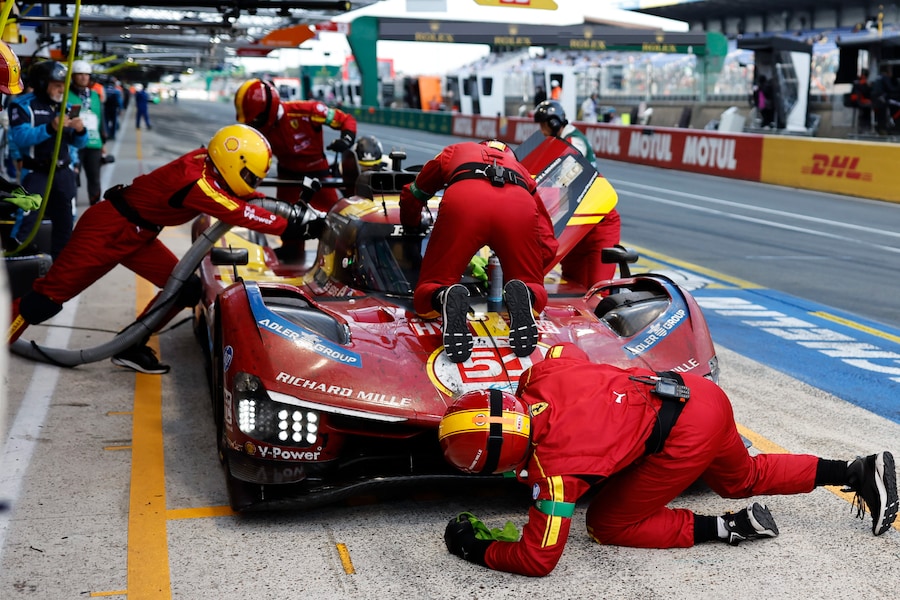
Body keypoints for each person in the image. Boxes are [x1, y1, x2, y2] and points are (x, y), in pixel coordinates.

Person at [439, 342, 899, 577]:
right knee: (742, 478)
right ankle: (859, 470)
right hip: (698, 393)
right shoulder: (544, 376)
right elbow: (565, 350)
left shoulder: (555, 477)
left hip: (683, 436)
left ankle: (728, 528)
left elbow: (538, 561)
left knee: (606, 525)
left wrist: (473, 547)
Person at [8, 124, 323, 374]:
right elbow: (237, 210)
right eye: (249, 175)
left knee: (185, 288)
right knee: (43, 302)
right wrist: (291, 225)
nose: (252, 181)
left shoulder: (208, 160)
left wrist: (290, 213)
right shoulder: (197, 183)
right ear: (232, 163)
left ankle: (129, 346)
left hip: (136, 234)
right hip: (106, 230)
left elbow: (243, 197)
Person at [398, 139, 558, 363]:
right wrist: (532, 267)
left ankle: (443, 296)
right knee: (533, 286)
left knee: (428, 291)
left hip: (465, 201)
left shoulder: (454, 150)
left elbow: (413, 194)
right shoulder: (523, 172)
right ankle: (527, 295)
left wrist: (410, 224)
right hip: (518, 206)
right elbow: (549, 244)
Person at [533, 100, 621, 288]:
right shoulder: (554, 142)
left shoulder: (574, 142)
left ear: (555, 123)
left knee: (598, 290)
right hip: (574, 221)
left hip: (597, 220)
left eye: (543, 125)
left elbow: (563, 179)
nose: (541, 130)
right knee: (571, 286)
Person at [234, 78, 356, 213]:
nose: (253, 125)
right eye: (250, 122)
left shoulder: (307, 111)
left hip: (319, 177)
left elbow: (345, 120)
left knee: (333, 219)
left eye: (255, 119)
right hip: (287, 180)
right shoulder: (256, 128)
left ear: (269, 108)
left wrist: (346, 140)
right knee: (286, 224)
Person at [7, 61, 88, 259]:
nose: (62, 89)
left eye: (64, 85)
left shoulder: (68, 107)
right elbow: (20, 137)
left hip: (63, 173)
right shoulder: (22, 105)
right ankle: (16, 256)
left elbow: (79, 144)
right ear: (43, 83)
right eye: (57, 84)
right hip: (36, 173)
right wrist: (50, 128)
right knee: (27, 218)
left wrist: (80, 131)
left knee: (66, 220)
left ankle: (61, 262)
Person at [69, 60, 108, 206]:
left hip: (94, 143)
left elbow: (100, 119)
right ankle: (71, 204)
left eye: (86, 74)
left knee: (94, 177)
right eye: (80, 74)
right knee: (73, 176)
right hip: (74, 142)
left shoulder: (95, 95)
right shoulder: (66, 94)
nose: (84, 77)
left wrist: (103, 142)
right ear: (73, 76)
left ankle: (95, 204)